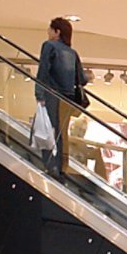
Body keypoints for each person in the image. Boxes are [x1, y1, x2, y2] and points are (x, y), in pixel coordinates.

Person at [36, 17, 87, 177]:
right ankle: (61, 167)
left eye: (50, 30)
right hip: (68, 99)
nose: (48, 33)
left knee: (46, 129)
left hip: (52, 94)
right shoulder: (73, 53)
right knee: (61, 133)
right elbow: (82, 79)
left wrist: (39, 93)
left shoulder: (49, 46)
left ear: (57, 32)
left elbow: (43, 70)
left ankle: (48, 165)